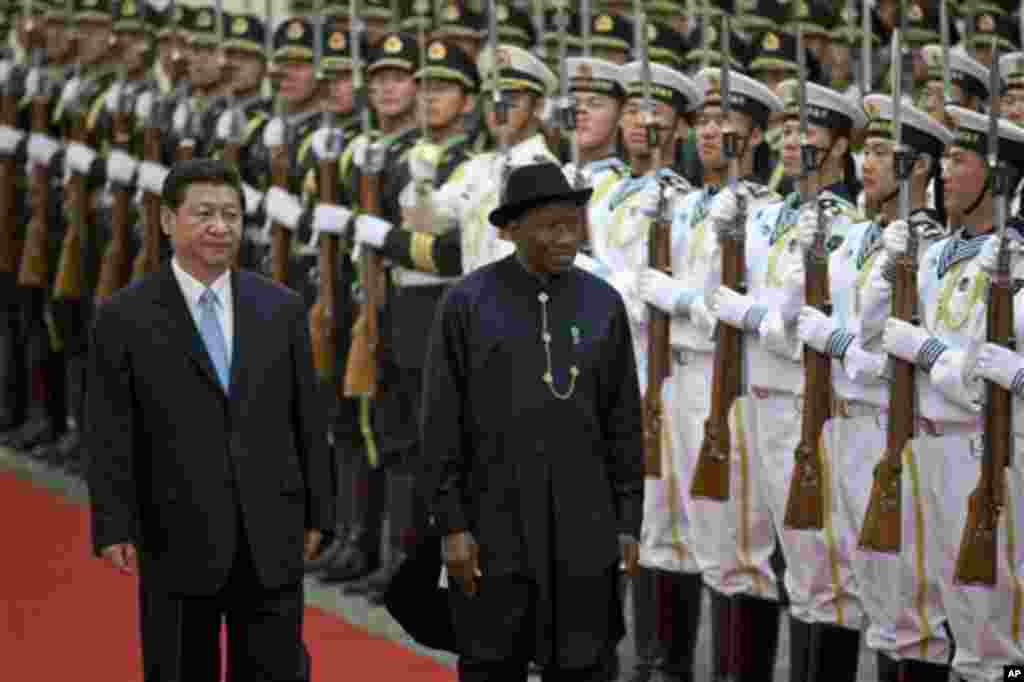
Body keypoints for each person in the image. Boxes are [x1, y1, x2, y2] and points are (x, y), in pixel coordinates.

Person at [85, 158, 336, 682]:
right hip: (175, 530)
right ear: (167, 221)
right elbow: (110, 429)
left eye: (231, 214)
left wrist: (320, 511)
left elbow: (307, 418)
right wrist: (113, 523)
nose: (220, 227)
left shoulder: (281, 308)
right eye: (203, 214)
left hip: (270, 532)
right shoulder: (124, 316)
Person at [419, 162, 644, 682]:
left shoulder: (604, 303)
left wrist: (628, 520)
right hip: (495, 521)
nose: (568, 238)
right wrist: (451, 525)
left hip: (584, 523)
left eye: (574, 224)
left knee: (585, 661)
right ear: (510, 230)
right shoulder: (466, 303)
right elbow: (440, 423)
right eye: (551, 226)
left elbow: (624, 422)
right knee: (492, 659)